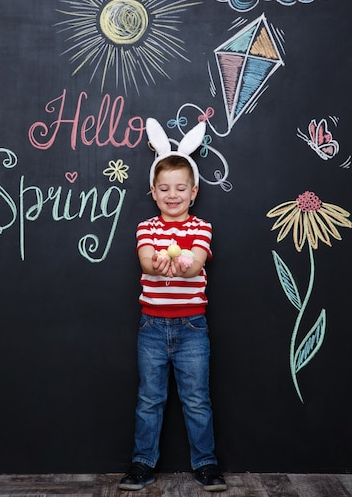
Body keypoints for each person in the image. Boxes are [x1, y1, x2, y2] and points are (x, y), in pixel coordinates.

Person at [119, 118, 227, 492]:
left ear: (193, 191)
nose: (173, 194)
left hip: (192, 326)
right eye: (164, 188)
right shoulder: (146, 227)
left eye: (181, 188)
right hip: (152, 326)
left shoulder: (201, 228)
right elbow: (148, 260)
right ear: (153, 190)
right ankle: (142, 463)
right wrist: (160, 264)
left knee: (197, 399)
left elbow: (196, 262)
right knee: (149, 399)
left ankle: (207, 464)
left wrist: (182, 268)